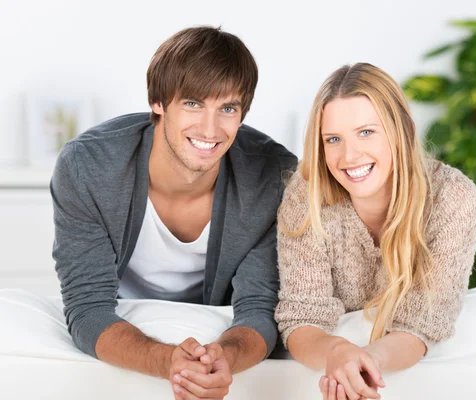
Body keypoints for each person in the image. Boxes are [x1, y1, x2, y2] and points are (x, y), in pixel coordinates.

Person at [50, 26, 297, 400]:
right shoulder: (87, 167)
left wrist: (224, 359)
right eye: (193, 104)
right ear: (159, 102)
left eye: (227, 108)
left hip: (219, 326)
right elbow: (88, 308)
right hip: (129, 323)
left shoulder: (274, 177)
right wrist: (168, 363)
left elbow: (260, 308)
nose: (210, 129)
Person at [275, 63, 476, 400]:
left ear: (402, 130)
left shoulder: (454, 199)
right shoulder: (307, 194)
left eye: (367, 132)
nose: (350, 155)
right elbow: (301, 317)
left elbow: (421, 324)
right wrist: (336, 353)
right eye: (333, 139)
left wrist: (366, 364)